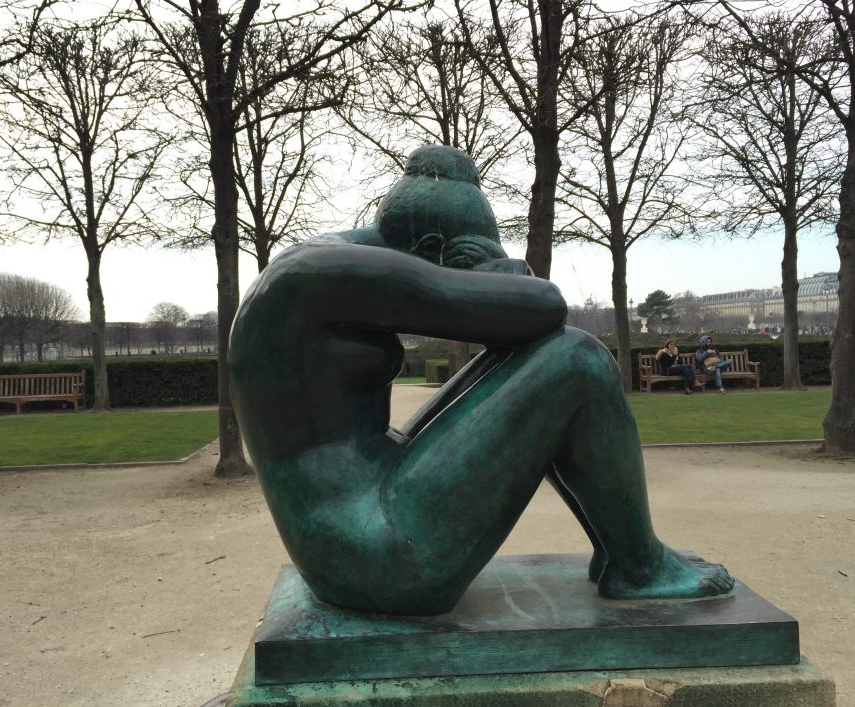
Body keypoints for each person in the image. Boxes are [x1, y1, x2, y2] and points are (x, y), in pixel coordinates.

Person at [229, 145, 733, 616]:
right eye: (464, 265)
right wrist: (508, 274)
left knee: (536, 358)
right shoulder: (321, 273)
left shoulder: (326, 257)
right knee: (580, 359)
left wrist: (498, 270)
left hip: (367, 515)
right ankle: (639, 568)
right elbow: (545, 308)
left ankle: (619, 547)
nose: (472, 281)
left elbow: (524, 330)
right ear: (429, 247)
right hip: (378, 558)